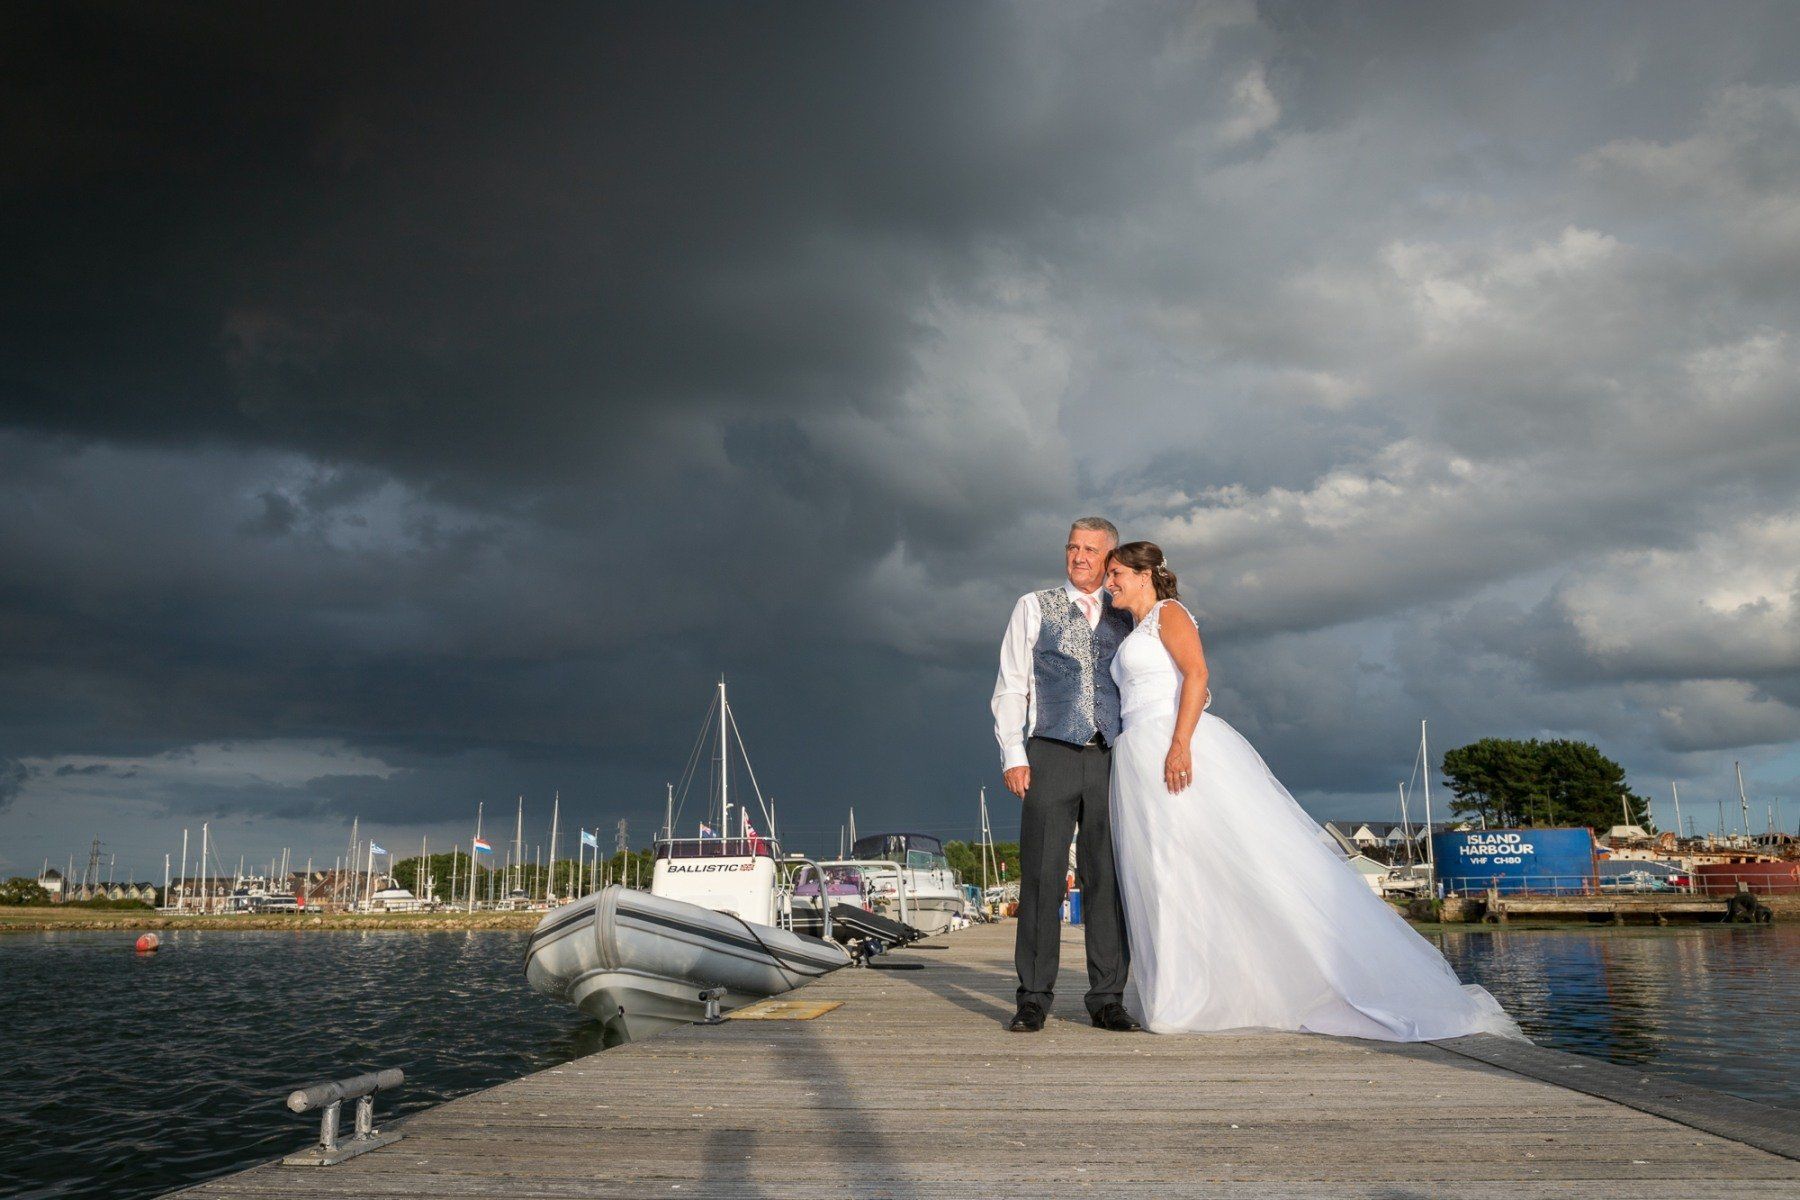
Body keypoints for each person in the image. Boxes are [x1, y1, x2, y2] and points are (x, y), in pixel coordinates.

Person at [1102, 540, 1522, 1039]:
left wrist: (1179, 745)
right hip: (1136, 751)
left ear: (1145, 575)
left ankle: (1221, 991)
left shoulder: (1170, 614)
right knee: (1166, 872)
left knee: (1202, 866)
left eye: (1117, 574)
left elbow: (1197, 674)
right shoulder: (1132, 629)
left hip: (1171, 744)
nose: (1110, 584)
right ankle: (1187, 989)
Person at [991, 517, 1138, 1033]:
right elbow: (1012, 684)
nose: (1078, 557)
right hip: (1050, 751)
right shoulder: (1034, 605)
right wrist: (1013, 753)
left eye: (1090, 549)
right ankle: (1033, 996)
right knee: (1041, 877)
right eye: (1073, 547)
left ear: (1109, 556)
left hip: (1113, 757)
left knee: (1108, 878)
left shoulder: (1129, 614)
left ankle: (1107, 997)